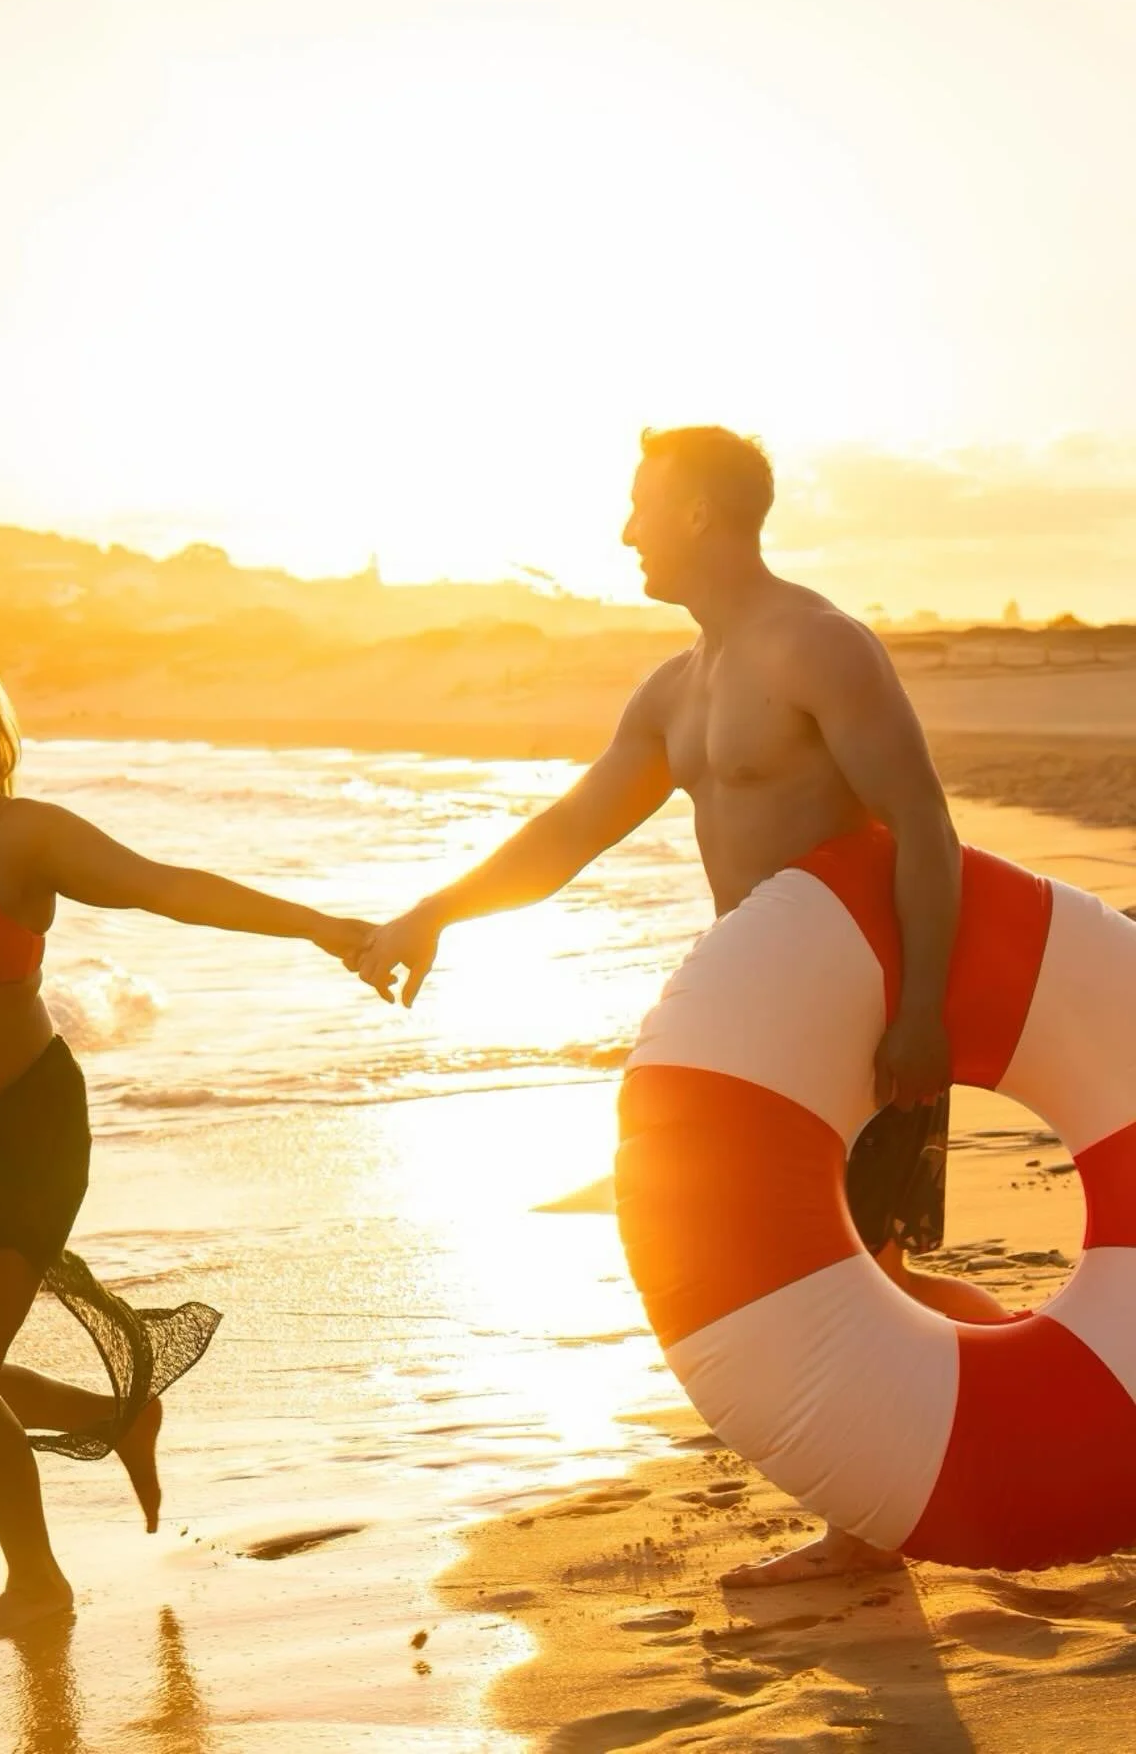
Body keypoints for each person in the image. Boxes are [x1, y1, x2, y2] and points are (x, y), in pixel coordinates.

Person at [358, 424, 997, 1588]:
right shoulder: (678, 686)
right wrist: (437, 913)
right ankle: (908, 1480)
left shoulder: (820, 648)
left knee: (866, 1271)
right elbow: (570, 831)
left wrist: (920, 1011)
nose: (625, 530)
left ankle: (875, 1525)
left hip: (859, 1001)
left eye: (642, 503)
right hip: (762, 1023)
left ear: (700, 511)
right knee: (800, 1262)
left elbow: (926, 826)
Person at [0, 638, 372, 1639]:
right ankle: (116, 1414)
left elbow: (168, 886)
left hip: (10, 1134)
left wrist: (323, 926)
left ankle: (38, 1585)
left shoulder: (24, 837)